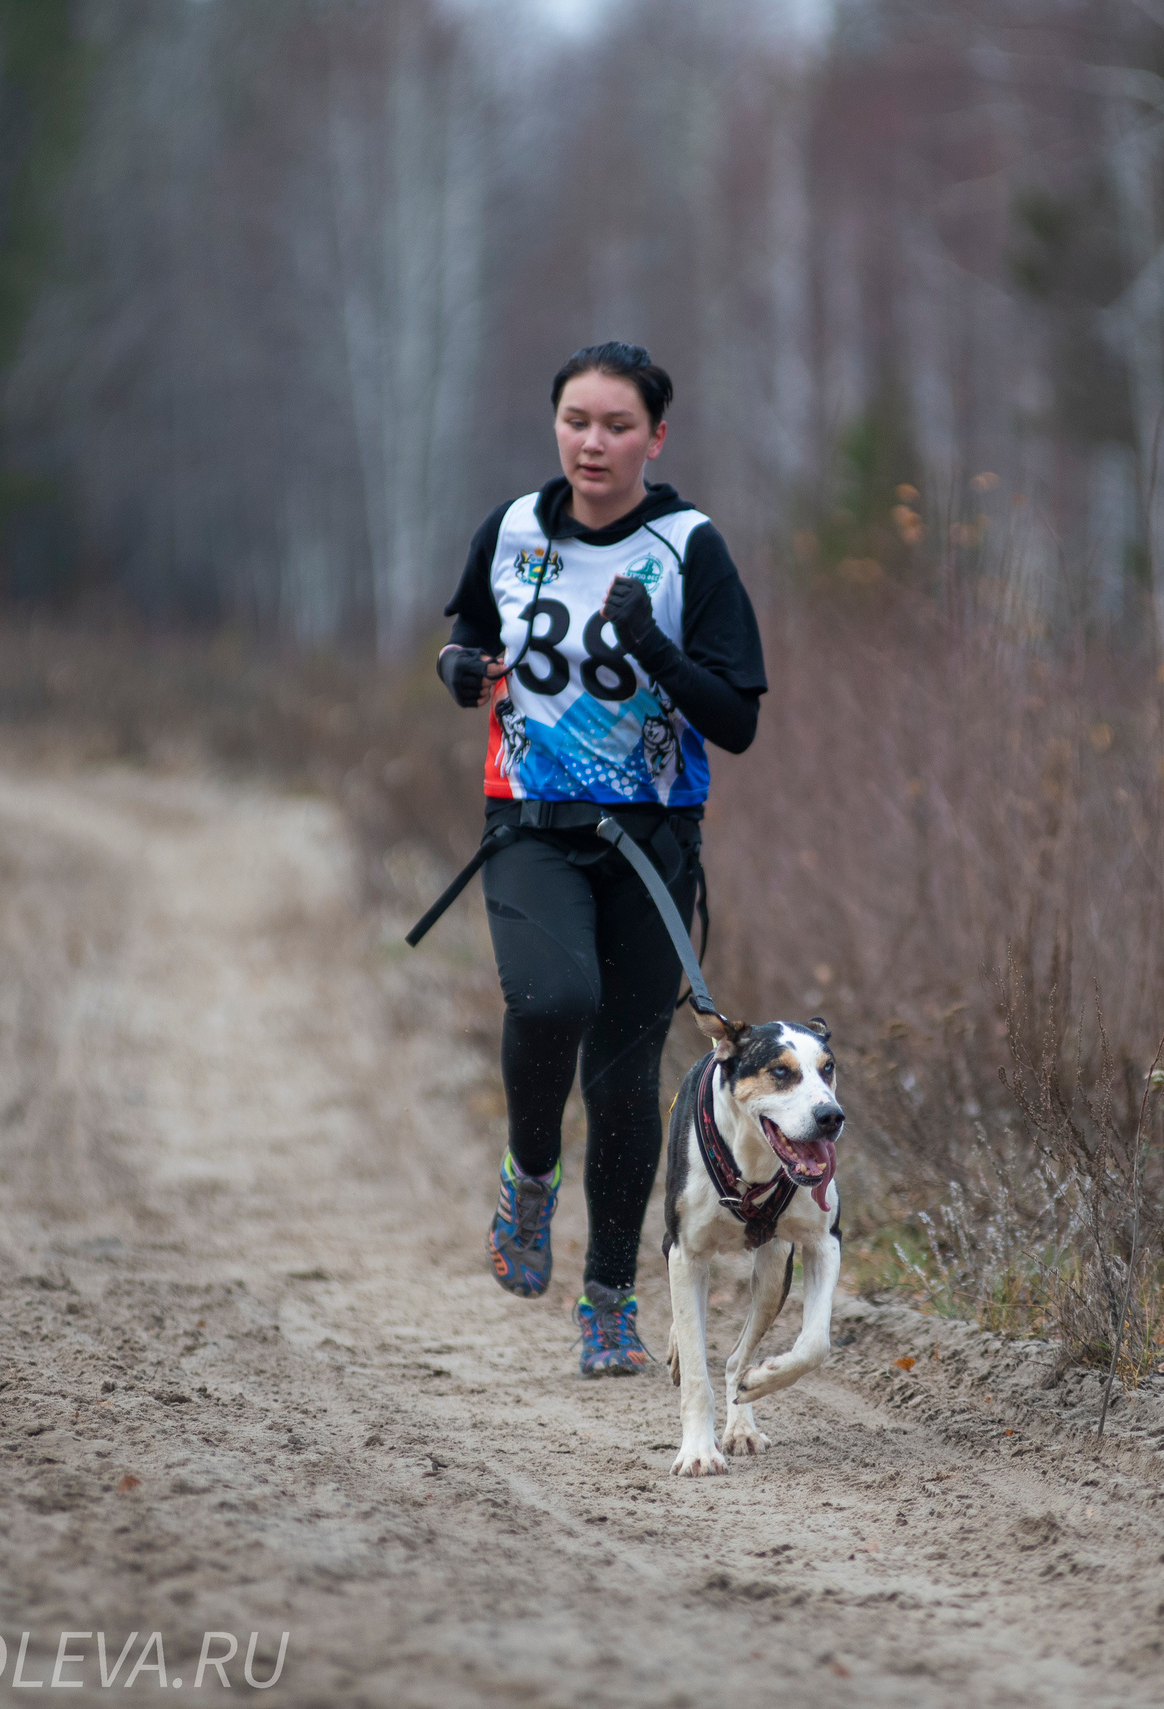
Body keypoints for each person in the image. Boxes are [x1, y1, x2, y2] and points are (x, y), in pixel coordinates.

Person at [437, 342, 767, 1377]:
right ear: (555, 425)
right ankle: (530, 1175)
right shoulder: (514, 529)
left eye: (617, 424)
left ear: (654, 438)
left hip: (651, 840)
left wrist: (655, 648)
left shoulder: (685, 548)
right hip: (530, 825)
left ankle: (610, 1302)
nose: (593, 441)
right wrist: (456, 667)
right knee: (550, 999)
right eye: (576, 419)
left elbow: (737, 716)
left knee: (626, 1081)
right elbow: (466, 631)